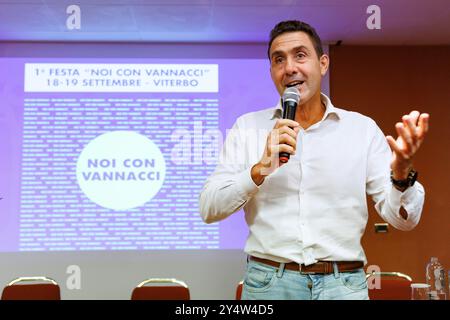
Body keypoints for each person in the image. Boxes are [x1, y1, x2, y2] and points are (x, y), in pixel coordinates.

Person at [198, 20, 429, 300]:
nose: (290, 68)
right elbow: (209, 208)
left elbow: (404, 221)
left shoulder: (361, 129)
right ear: (272, 71)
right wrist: (259, 170)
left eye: (300, 55)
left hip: (343, 285)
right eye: (278, 60)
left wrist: (402, 173)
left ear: (323, 63)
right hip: (269, 284)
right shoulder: (247, 127)